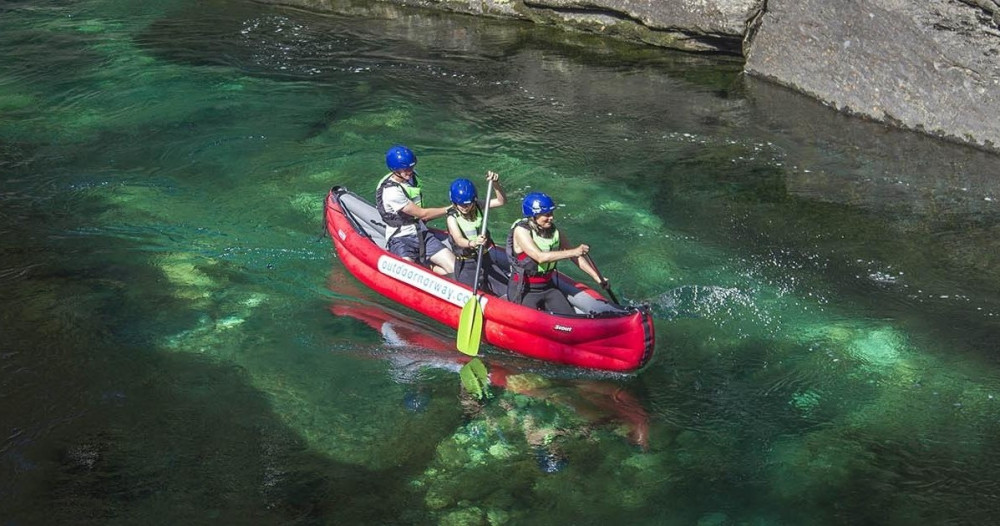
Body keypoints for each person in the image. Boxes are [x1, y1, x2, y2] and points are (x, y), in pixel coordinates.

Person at [506, 192, 608, 315]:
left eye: (552, 213)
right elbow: (540, 257)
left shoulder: (555, 230)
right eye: (547, 215)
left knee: (569, 317)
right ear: (534, 216)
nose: (551, 218)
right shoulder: (521, 231)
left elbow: (575, 256)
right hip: (524, 289)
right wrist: (574, 251)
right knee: (532, 320)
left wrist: (597, 277)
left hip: (547, 286)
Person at [375, 145, 455, 275]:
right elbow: (423, 214)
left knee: (454, 268)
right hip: (400, 238)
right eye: (406, 169)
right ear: (395, 170)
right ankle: (421, 265)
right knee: (409, 273)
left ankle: (428, 266)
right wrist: (451, 209)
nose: (410, 171)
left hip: (421, 233)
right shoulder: (391, 191)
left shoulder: (412, 176)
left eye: (412, 167)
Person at [445, 172, 509, 294]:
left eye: (468, 204)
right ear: (454, 202)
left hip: (485, 258)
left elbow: (501, 201)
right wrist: (473, 242)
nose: (466, 207)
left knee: (507, 290)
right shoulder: (452, 218)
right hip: (466, 263)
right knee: (469, 292)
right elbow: (458, 239)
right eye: (462, 205)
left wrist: (495, 184)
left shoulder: (477, 205)